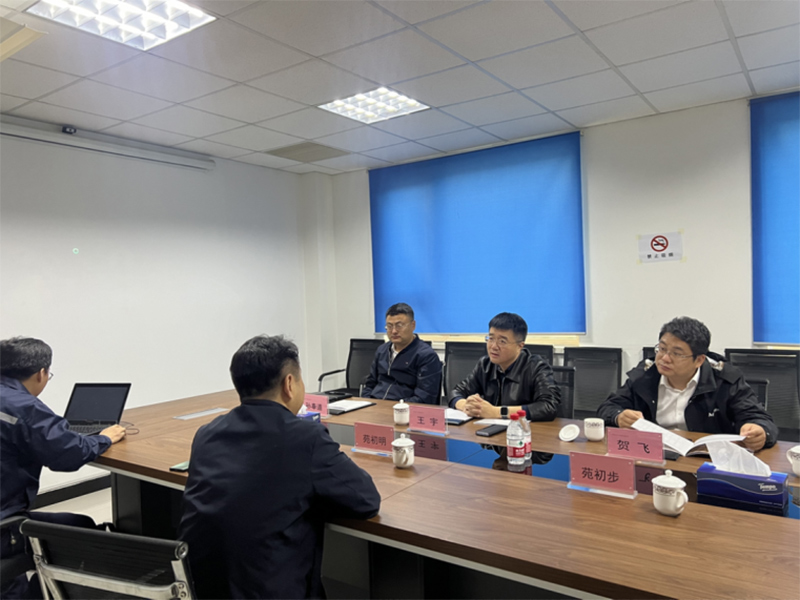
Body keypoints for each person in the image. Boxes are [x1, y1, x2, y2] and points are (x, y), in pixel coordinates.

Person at [179, 335, 380, 599]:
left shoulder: (206, 433)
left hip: (201, 588)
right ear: (289, 384)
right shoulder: (306, 437)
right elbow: (366, 500)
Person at [0, 337, 126, 599]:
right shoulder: (24, 407)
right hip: (5, 529)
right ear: (41, 373)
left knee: (79, 523)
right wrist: (104, 438)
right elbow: (68, 455)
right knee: (82, 529)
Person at [597, 317, 778, 451]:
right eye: (662, 349)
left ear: (699, 360)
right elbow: (608, 407)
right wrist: (618, 417)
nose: (664, 358)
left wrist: (760, 431)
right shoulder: (644, 376)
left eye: (676, 353)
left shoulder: (725, 380)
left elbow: (759, 419)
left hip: (708, 460)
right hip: (654, 456)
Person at [448, 313, 560, 421]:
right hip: (489, 430)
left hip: (523, 431)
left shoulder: (536, 367)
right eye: (491, 338)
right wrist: (466, 406)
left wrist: (497, 412)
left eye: (502, 341)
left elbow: (549, 406)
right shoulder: (485, 365)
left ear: (520, 346)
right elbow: (456, 392)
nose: (494, 346)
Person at [361, 303, 442, 404]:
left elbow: (425, 397)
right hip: (375, 405)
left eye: (399, 326)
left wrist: (396, 407)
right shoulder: (382, 350)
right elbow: (370, 385)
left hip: (403, 408)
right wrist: (366, 402)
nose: (394, 331)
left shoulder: (426, 356)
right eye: (389, 326)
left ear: (413, 325)